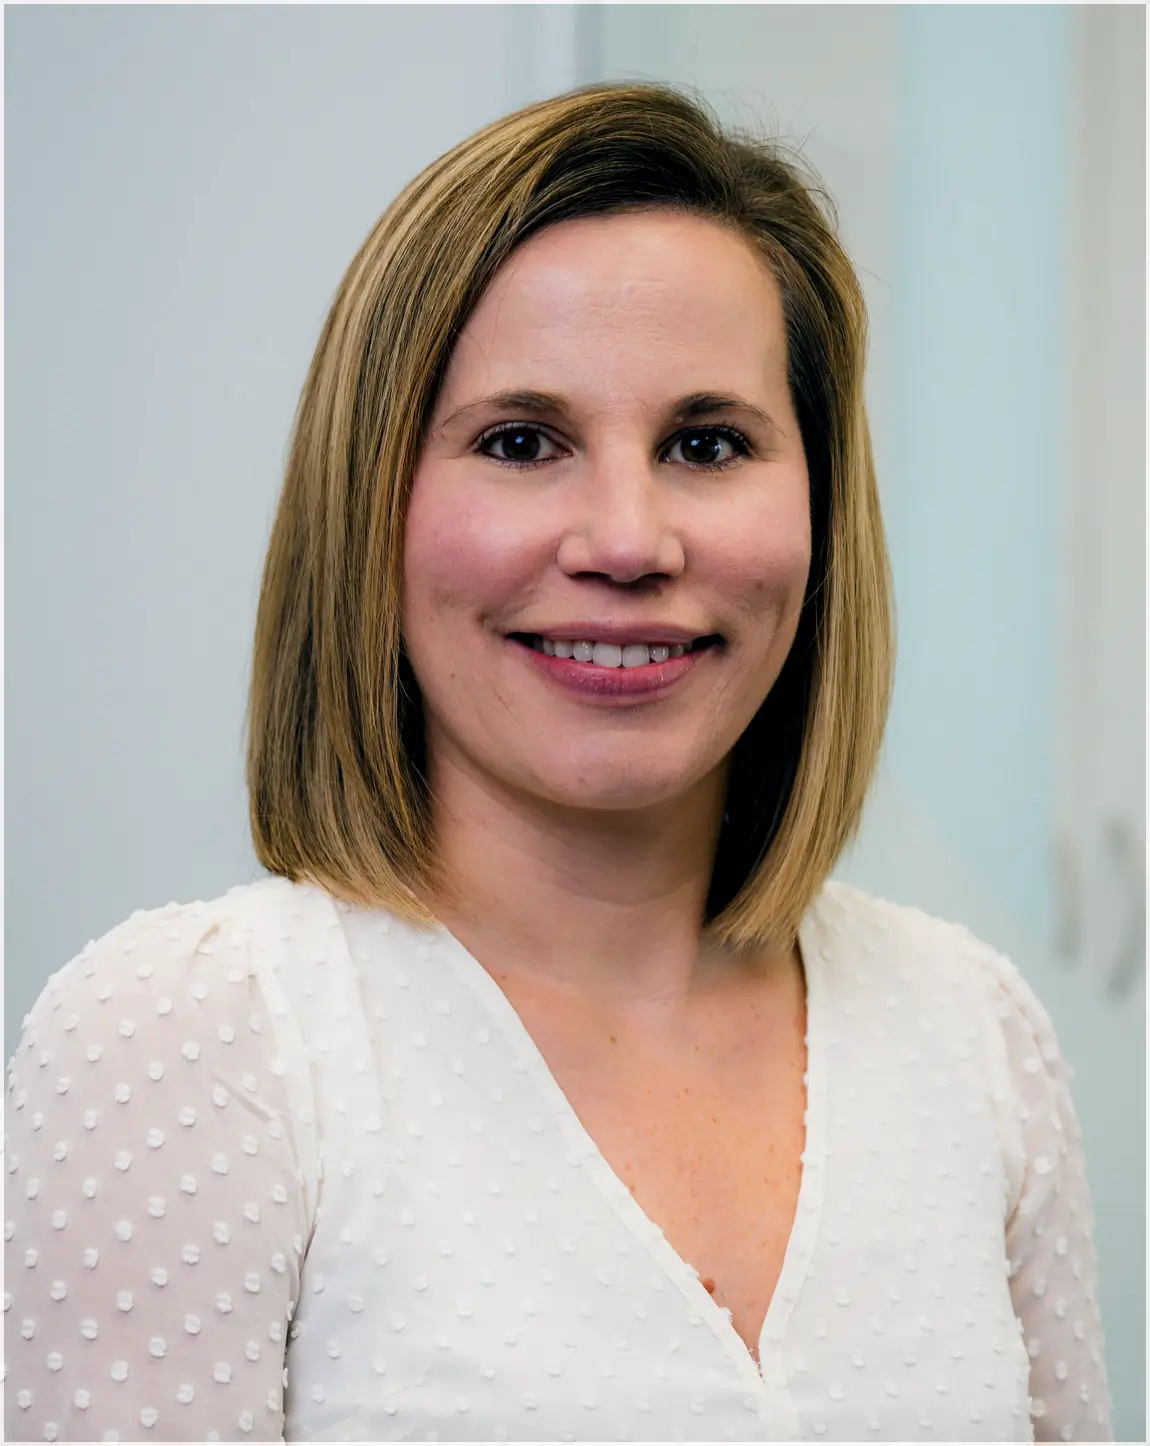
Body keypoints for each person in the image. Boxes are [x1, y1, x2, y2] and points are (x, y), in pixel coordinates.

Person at [4, 81, 1112, 1445]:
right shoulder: (197, 1038)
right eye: (522, 442)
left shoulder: (974, 1031)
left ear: (817, 510)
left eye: (707, 443)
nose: (628, 539)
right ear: (374, 507)